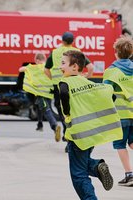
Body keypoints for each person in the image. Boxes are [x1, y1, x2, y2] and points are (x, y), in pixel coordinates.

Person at [59, 50, 123, 199]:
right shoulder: (89, 83)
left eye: (63, 63)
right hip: (90, 135)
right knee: (81, 164)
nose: (60, 66)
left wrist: (67, 112)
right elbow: (110, 95)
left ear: (74, 67)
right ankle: (96, 167)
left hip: (78, 136)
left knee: (78, 175)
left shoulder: (65, 82)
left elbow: (63, 93)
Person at [44, 31, 94, 151]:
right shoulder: (76, 52)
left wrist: (54, 80)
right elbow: (91, 68)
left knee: (63, 112)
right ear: (73, 41)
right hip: (75, 85)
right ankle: (75, 139)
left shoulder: (55, 52)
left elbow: (46, 70)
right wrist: (85, 77)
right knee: (75, 111)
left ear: (62, 40)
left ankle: (68, 135)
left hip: (59, 87)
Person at [103, 36, 133, 186]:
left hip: (121, 115)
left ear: (116, 52)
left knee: (120, 145)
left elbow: (105, 94)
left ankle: (129, 174)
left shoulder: (111, 72)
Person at [19, 52, 61, 142]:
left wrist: (27, 68)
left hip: (40, 94)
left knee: (46, 110)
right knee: (41, 108)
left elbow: (20, 69)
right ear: (45, 59)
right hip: (49, 93)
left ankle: (55, 126)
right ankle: (40, 124)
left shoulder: (34, 67)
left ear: (37, 60)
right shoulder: (50, 68)